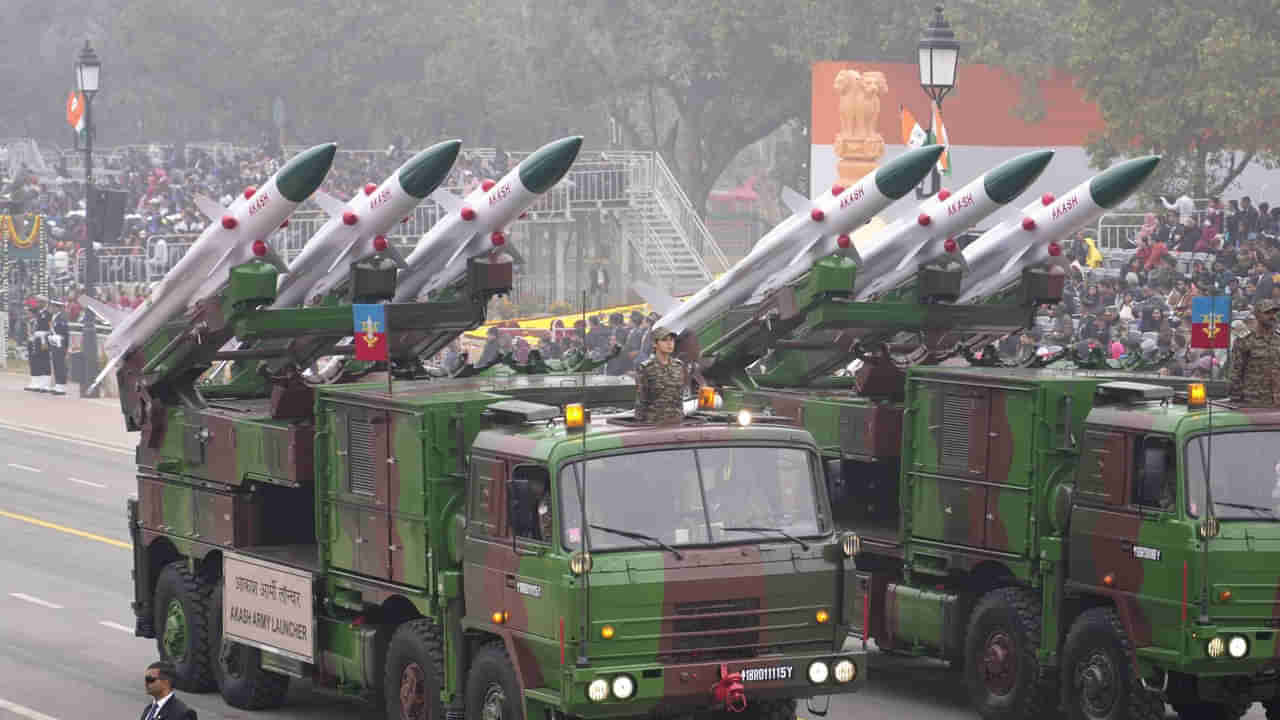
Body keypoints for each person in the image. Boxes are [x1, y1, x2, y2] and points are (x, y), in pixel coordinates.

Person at [1228, 299, 1280, 405]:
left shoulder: (1278, 339)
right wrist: (1236, 398)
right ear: (1257, 315)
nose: (1272, 316)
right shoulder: (1245, 341)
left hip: (1277, 400)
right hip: (1254, 401)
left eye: (1274, 312)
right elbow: (1236, 372)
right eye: (1267, 313)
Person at [634, 327, 687, 424]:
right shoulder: (646, 368)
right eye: (664, 340)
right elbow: (641, 400)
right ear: (655, 344)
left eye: (671, 340)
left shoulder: (678, 366)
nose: (669, 343)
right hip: (654, 423)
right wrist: (639, 423)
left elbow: (679, 398)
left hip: (676, 422)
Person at [48, 301, 69, 395]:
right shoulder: (54, 317)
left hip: (60, 344)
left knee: (60, 365)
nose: (51, 308)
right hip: (54, 343)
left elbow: (65, 332)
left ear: (58, 308)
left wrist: (65, 345)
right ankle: (57, 384)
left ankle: (61, 386)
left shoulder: (62, 318)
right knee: (56, 364)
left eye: (53, 307)